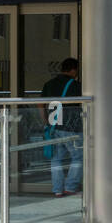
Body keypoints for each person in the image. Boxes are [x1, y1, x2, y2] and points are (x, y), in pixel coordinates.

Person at [41, 57, 83, 197]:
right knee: (78, 157)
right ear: (73, 69)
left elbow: (40, 104)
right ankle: (70, 187)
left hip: (54, 126)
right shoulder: (76, 86)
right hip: (72, 127)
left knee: (56, 159)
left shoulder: (49, 84)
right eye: (77, 70)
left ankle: (58, 189)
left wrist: (46, 121)